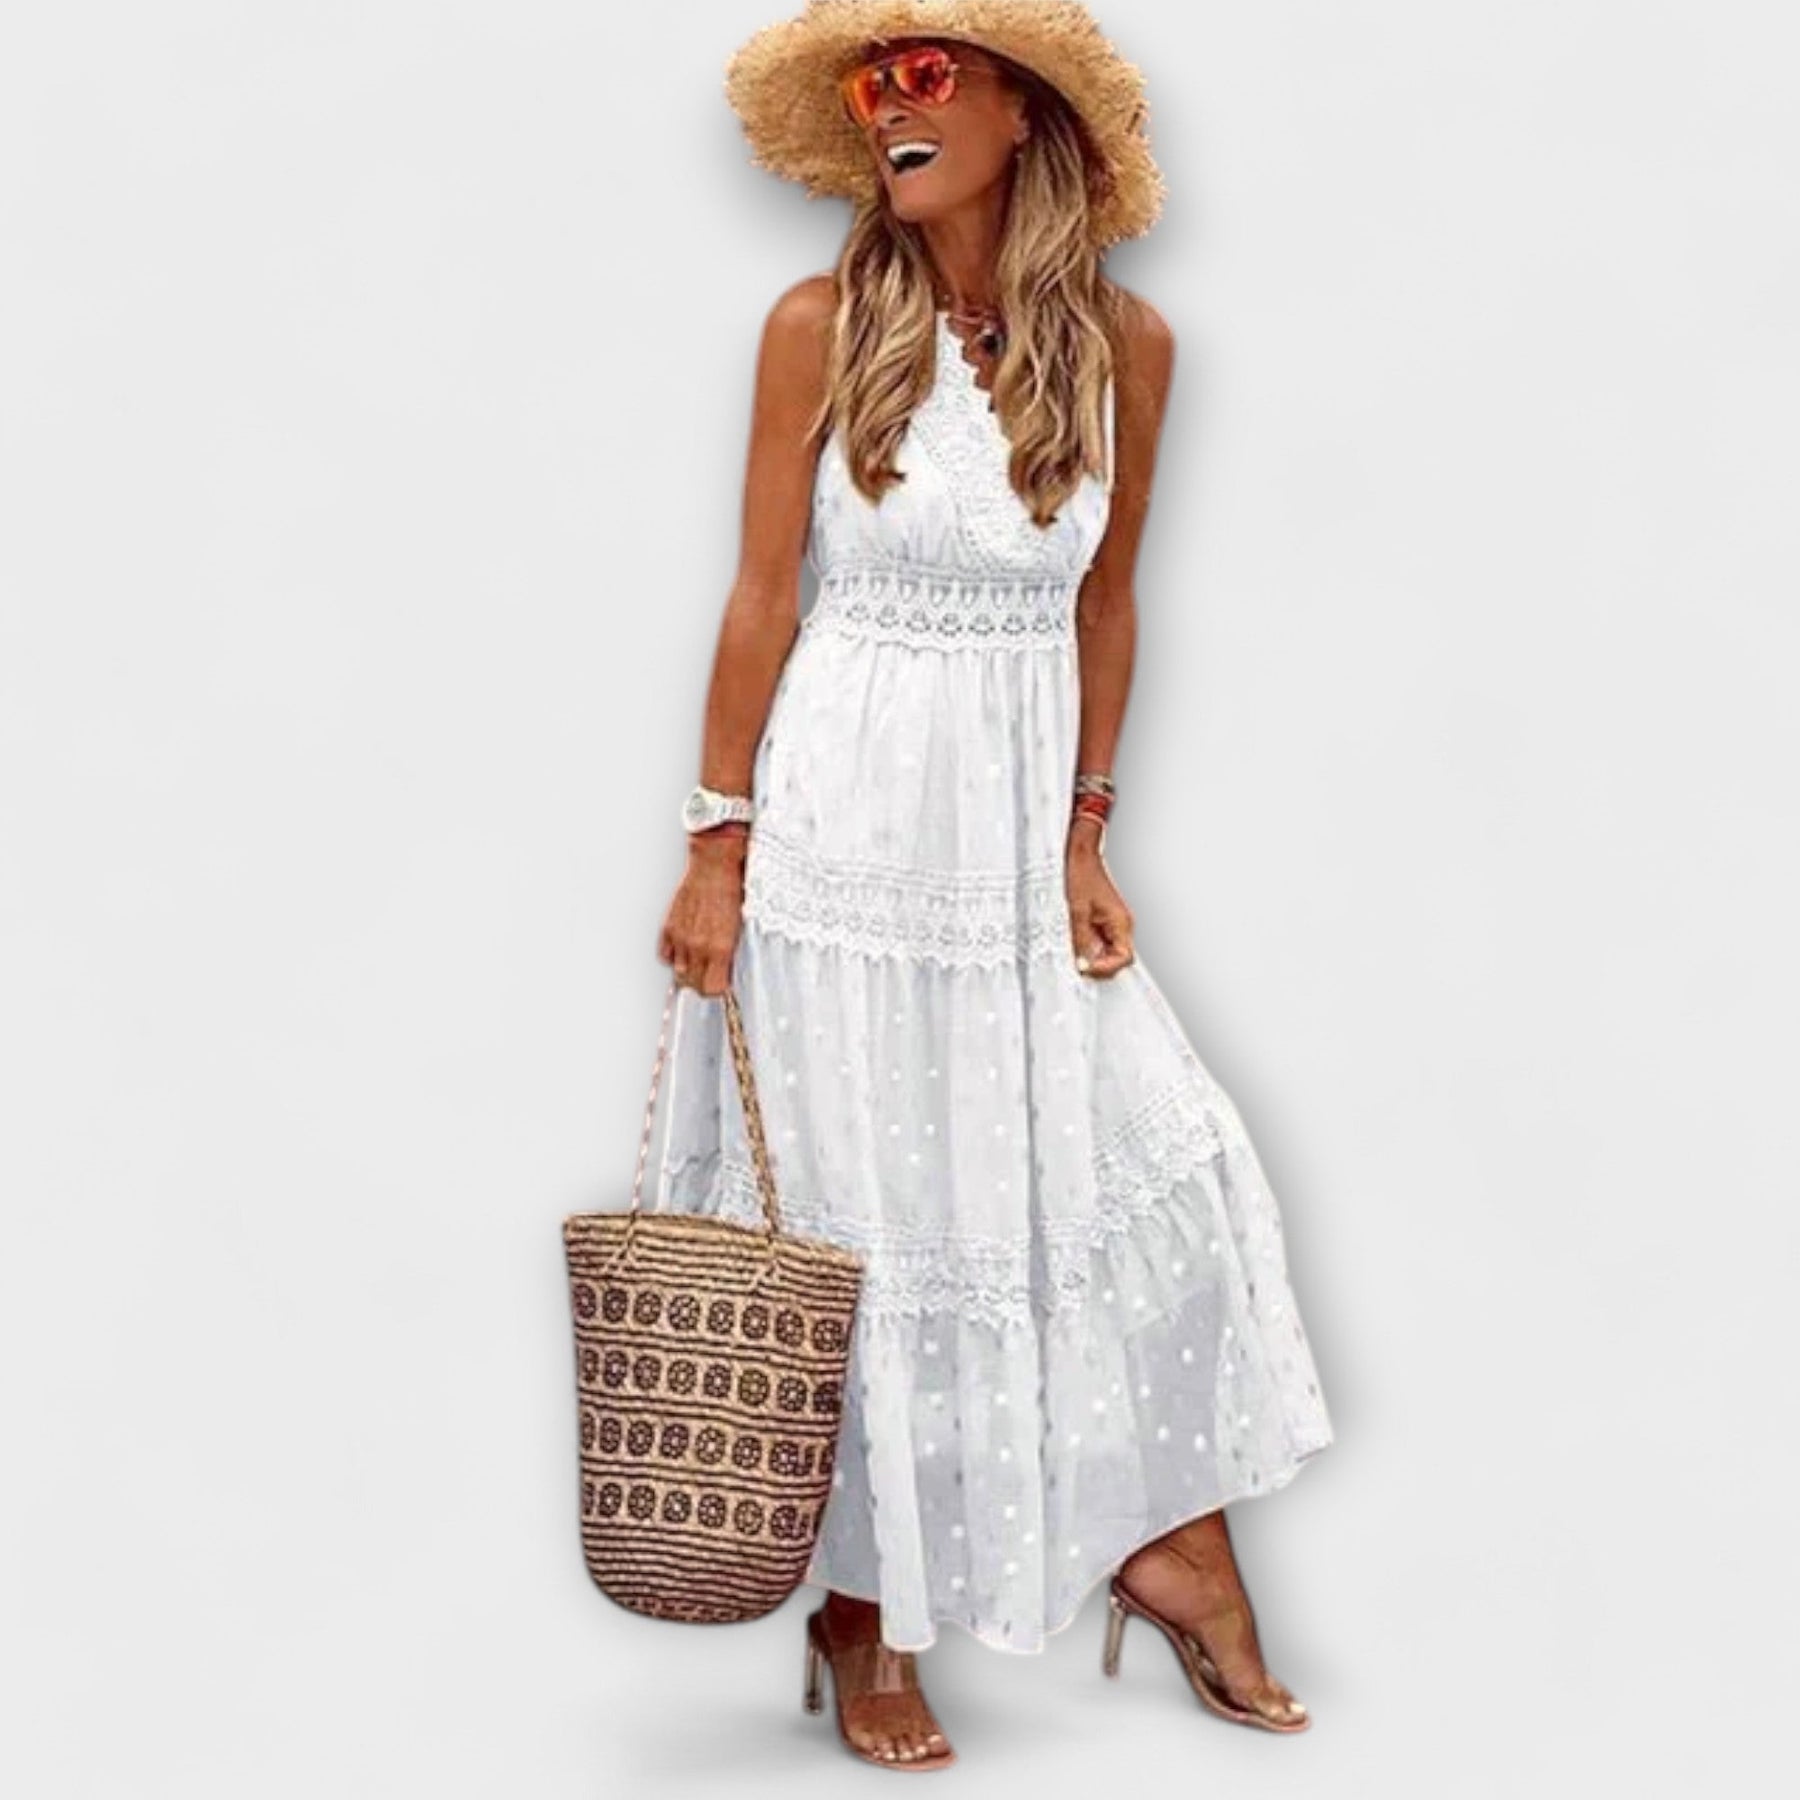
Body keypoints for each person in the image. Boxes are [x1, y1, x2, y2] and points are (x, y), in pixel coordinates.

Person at [648, 0, 1333, 1770]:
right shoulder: (817, 326)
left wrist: (1088, 833)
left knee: (1139, 1155)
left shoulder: (1131, 345)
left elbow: (1108, 602)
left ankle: (1173, 1549)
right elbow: (762, 597)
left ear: (1025, 114)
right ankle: (863, 1612)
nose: (892, 98)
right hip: (840, 833)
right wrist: (717, 842)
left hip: (1015, 833)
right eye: (872, 79)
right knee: (859, 1212)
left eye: (928, 69)